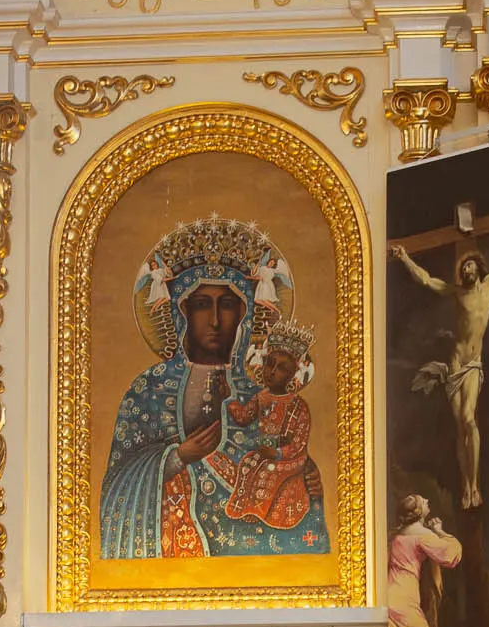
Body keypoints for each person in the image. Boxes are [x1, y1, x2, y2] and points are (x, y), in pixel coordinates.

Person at [98, 217, 327, 561]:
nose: (216, 320)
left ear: (245, 314)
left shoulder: (263, 393)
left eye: (229, 305)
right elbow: (116, 487)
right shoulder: (149, 390)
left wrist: (307, 474)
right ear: (182, 311)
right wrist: (176, 458)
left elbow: (286, 453)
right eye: (203, 304)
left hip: (252, 544)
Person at [392, 211, 489, 508]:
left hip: (473, 363)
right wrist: (404, 258)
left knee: (469, 420)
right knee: (460, 428)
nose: (466, 269)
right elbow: (426, 280)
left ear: (478, 268)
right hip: (455, 360)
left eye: (470, 265)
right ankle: (465, 487)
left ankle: (474, 485)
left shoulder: (488, 284)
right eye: (463, 267)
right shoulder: (456, 293)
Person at [223, 322, 323, 534]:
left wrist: (277, 454)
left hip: (289, 458)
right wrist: (229, 400)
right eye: (270, 364)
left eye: (282, 369)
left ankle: (260, 513)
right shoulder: (261, 397)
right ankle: (245, 510)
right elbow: (243, 417)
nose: (273, 371)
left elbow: (298, 444)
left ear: (293, 375)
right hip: (264, 452)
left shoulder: (298, 406)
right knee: (248, 463)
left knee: (269, 471)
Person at [386, 491, 472, 627]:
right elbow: (450, 556)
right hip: (404, 597)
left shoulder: (398, 534)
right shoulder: (421, 534)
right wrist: (440, 531)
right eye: (423, 501)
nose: (427, 500)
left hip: (391, 592)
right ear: (418, 512)